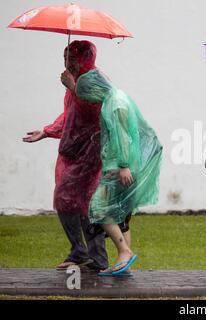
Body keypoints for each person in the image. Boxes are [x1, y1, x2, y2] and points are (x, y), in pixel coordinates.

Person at [63, 64, 163, 276]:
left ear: (94, 89)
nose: (90, 101)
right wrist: (102, 136)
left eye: (88, 96)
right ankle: (123, 265)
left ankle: (124, 252)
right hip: (124, 164)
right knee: (120, 214)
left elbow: (122, 136)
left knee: (99, 208)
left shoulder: (114, 104)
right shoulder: (117, 97)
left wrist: (123, 165)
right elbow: (121, 131)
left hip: (118, 167)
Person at [23, 40, 108, 272]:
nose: (67, 63)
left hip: (89, 151)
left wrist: (74, 87)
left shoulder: (95, 80)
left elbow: (101, 110)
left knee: (80, 202)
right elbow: (70, 114)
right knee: (70, 202)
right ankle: (83, 253)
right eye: (65, 57)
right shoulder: (76, 81)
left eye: (72, 58)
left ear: (85, 59)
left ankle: (95, 255)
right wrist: (47, 131)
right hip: (70, 150)